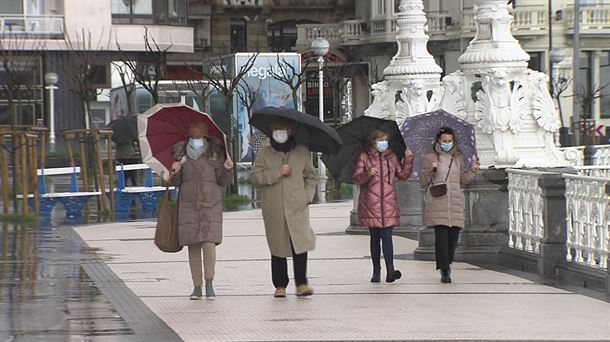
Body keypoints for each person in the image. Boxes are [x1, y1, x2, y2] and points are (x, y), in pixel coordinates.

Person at [249, 119, 317, 298]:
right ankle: (280, 285)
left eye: (283, 128)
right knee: (277, 245)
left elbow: (311, 176)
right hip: (275, 207)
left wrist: (307, 196)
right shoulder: (265, 153)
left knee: (300, 243)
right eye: (276, 128)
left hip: (297, 206)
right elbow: (255, 177)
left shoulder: (301, 152)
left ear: (290, 130)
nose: (280, 132)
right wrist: (277, 172)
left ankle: (301, 283)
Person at [168, 121, 234, 300]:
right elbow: (173, 182)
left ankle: (210, 283)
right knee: (193, 246)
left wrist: (228, 170)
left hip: (210, 205)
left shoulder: (215, 156)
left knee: (208, 243)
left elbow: (224, 182)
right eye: (192, 137)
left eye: (199, 137)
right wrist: (173, 172)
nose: (195, 140)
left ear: (206, 138)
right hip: (188, 206)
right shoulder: (181, 156)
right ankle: (197, 286)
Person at [419, 126, 480, 284]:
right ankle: (444, 269)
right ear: (438, 140)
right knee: (441, 237)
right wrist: (431, 169)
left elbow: (463, 180)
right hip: (438, 199)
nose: (447, 143)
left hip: (454, 201)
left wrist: (473, 171)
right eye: (444, 141)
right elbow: (423, 180)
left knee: (453, 237)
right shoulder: (430, 157)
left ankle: (447, 262)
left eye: (449, 141)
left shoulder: (458, 158)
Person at [352, 129, 414, 283]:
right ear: (373, 141)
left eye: (385, 140)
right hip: (370, 204)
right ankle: (376, 271)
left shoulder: (392, 157)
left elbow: (402, 175)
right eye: (380, 140)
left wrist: (408, 159)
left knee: (387, 237)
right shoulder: (364, 157)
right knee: (375, 238)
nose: (383, 143)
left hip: (388, 203)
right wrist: (367, 173)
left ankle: (390, 270)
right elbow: (356, 178)